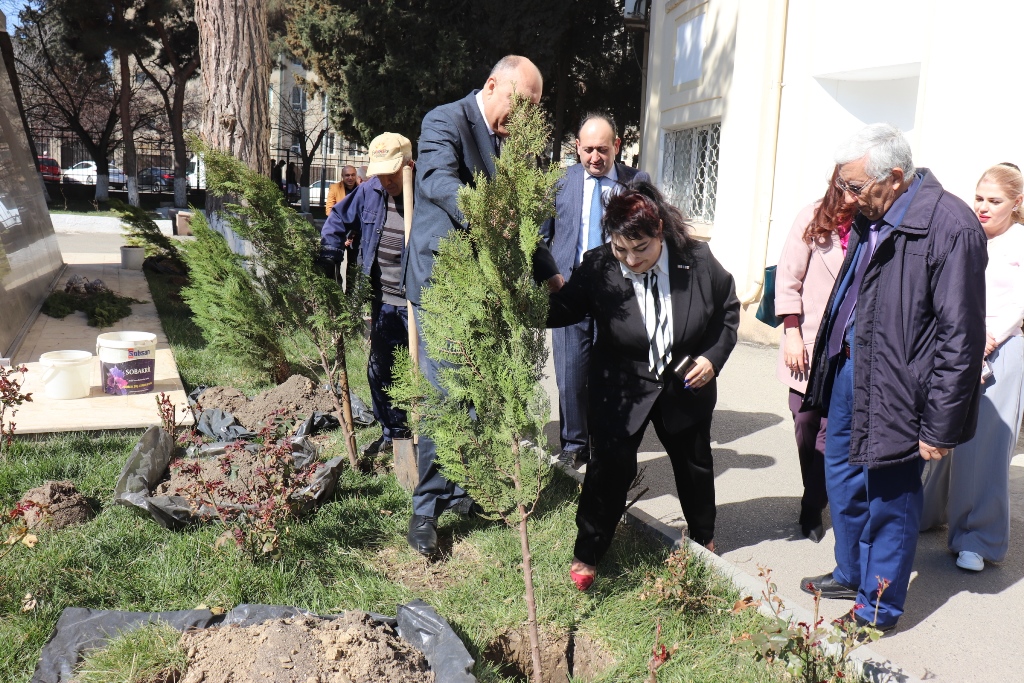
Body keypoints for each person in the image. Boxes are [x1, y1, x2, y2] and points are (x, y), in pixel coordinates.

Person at [799, 124, 987, 634]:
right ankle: (852, 572)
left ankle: (876, 609)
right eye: (844, 185)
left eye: (855, 187)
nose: (847, 198)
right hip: (846, 368)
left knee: (890, 496)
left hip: (901, 385)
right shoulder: (873, 210)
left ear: (897, 177)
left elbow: (961, 336)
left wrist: (940, 426)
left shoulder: (951, 226)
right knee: (841, 477)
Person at [547, 180, 739, 591]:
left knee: (694, 466)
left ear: (661, 234)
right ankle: (589, 552)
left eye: (641, 249)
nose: (631, 260)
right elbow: (562, 310)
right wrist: (539, 269)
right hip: (621, 387)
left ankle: (704, 539)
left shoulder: (698, 260)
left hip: (684, 384)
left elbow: (727, 312)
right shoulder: (599, 264)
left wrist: (712, 358)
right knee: (608, 470)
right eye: (621, 249)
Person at [400, 55, 555, 557]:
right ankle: (426, 508)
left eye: (535, 109)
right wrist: (485, 208)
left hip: (488, 287)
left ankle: (464, 488)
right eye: (522, 103)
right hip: (443, 282)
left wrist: (550, 271)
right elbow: (437, 181)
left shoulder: (515, 147)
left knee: (481, 394)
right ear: (493, 85)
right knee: (445, 394)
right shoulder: (445, 120)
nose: (526, 117)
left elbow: (524, 214)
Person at [921, 162, 1024, 572]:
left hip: (1000, 349)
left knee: (984, 446)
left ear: (1017, 204)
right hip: (956, 346)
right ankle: (930, 512)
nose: (982, 207)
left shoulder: (1020, 244)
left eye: (994, 201)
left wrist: (990, 337)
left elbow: (1019, 302)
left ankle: (977, 538)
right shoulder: (966, 235)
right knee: (941, 431)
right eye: (979, 198)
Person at [536, 113, 648, 469]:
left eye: (602, 149)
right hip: (570, 290)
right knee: (570, 374)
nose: (595, 157)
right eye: (587, 150)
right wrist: (551, 277)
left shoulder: (636, 183)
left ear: (616, 146)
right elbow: (540, 236)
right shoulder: (560, 181)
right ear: (577, 148)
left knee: (615, 374)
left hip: (620, 296)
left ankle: (606, 444)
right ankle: (573, 443)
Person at [774, 166, 855, 542]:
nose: (855, 196)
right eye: (849, 187)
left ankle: (815, 504)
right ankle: (814, 493)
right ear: (837, 184)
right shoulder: (811, 218)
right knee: (805, 422)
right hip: (807, 342)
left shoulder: (872, 225)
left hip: (849, 345)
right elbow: (788, 278)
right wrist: (791, 333)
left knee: (831, 430)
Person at [321, 134, 414, 459]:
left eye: (392, 172)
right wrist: (330, 249)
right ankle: (394, 434)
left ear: (408, 165)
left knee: (423, 373)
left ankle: (430, 438)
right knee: (381, 368)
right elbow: (337, 220)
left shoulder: (426, 192)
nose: (386, 180)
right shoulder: (369, 191)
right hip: (384, 300)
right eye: (380, 172)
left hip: (421, 304)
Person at [326, 165, 364, 293]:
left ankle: (350, 292)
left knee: (353, 264)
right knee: (336, 262)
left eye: (353, 175)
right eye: (347, 175)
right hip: (339, 231)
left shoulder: (361, 189)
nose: (350, 178)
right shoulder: (335, 188)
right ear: (342, 176)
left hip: (356, 232)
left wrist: (352, 235)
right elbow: (329, 211)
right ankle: (337, 291)